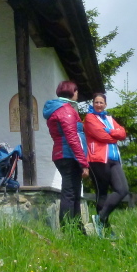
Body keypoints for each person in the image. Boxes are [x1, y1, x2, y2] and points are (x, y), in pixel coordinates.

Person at [43, 80, 89, 230]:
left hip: (62, 154)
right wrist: (83, 162)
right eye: (76, 91)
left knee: (74, 191)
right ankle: (68, 229)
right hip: (69, 155)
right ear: (71, 92)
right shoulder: (66, 110)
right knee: (70, 193)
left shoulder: (57, 108)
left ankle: (77, 228)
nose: (77, 94)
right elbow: (72, 138)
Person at [84, 92, 129, 238]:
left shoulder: (109, 119)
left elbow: (123, 133)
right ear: (93, 104)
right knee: (102, 193)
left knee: (122, 190)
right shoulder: (90, 118)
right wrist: (114, 135)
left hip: (114, 159)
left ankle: (100, 218)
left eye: (101, 102)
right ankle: (104, 229)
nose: (98, 105)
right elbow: (100, 136)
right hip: (97, 159)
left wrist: (110, 131)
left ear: (105, 104)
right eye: (96, 102)